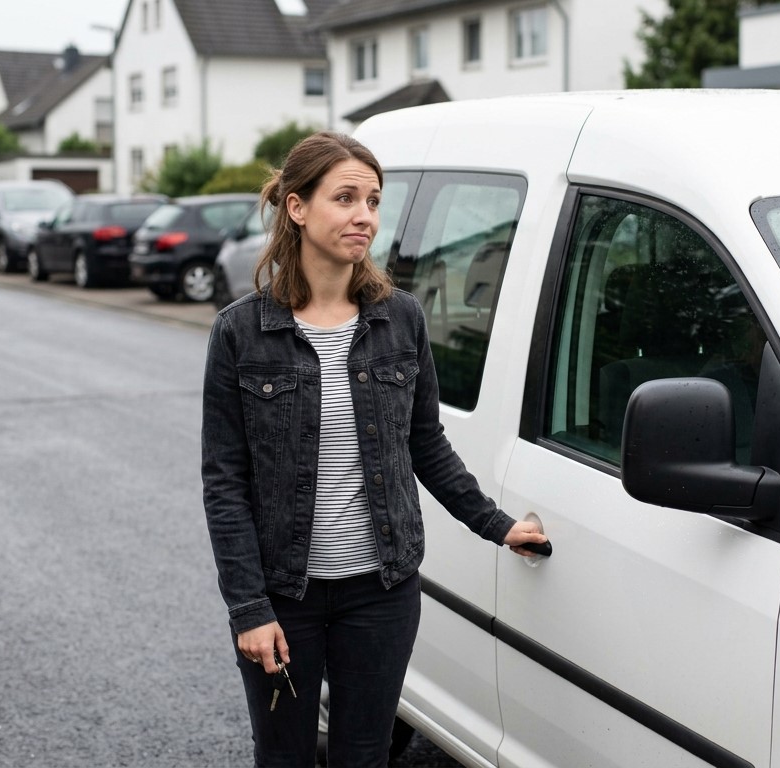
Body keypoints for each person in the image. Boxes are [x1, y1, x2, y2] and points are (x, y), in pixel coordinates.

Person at [201, 131, 548, 767]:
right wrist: (249, 608)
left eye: (373, 200)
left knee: (365, 756)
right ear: (298, 209)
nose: (364, 215)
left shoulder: (402, 320)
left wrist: (498, 526)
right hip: (284, 595)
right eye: (345, 198)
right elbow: (225, 484)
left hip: (381, 591)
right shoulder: (241, 333)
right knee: (284, 757)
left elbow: (426, 444)